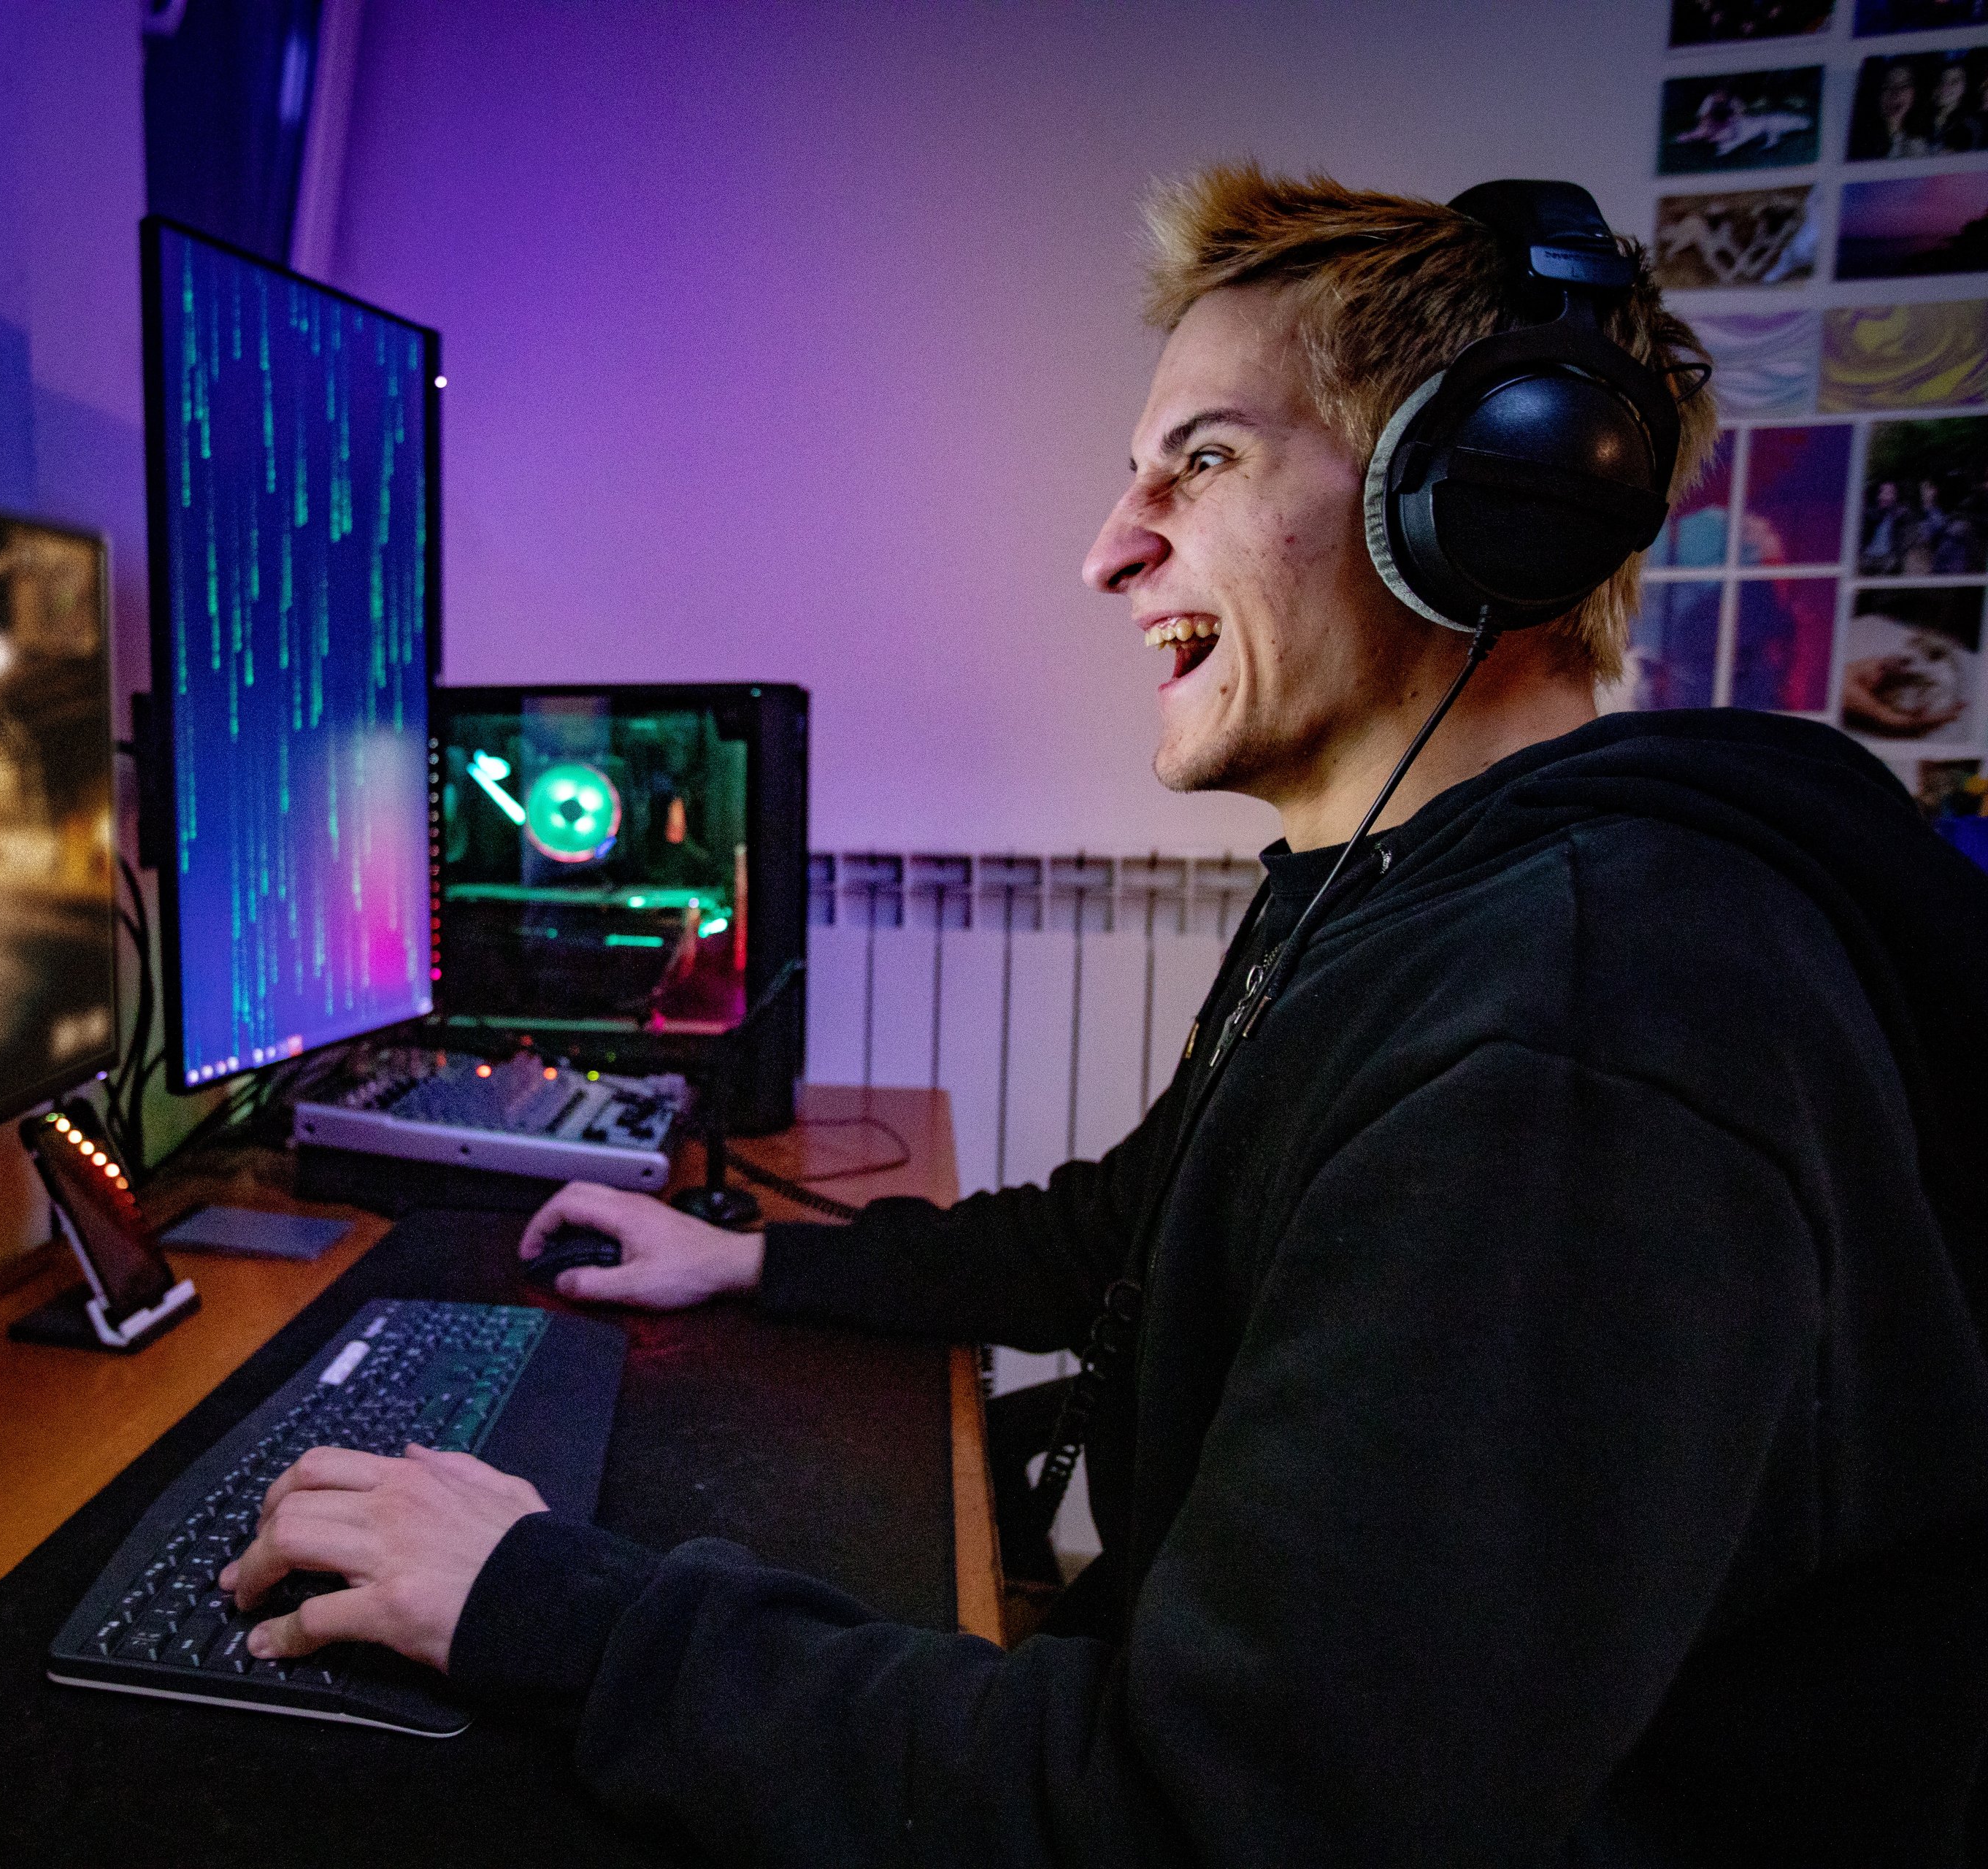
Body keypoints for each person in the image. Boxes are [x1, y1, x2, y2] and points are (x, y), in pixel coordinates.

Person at [218, 166, 1988, 1864]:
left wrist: (557, 1605)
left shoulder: (1586, 1029)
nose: (1107, 553)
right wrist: (747, 1264)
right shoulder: (1406, 900)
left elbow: (1215, 1820)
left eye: (1198, 462)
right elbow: (1126, 1229)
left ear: (1474, 494)